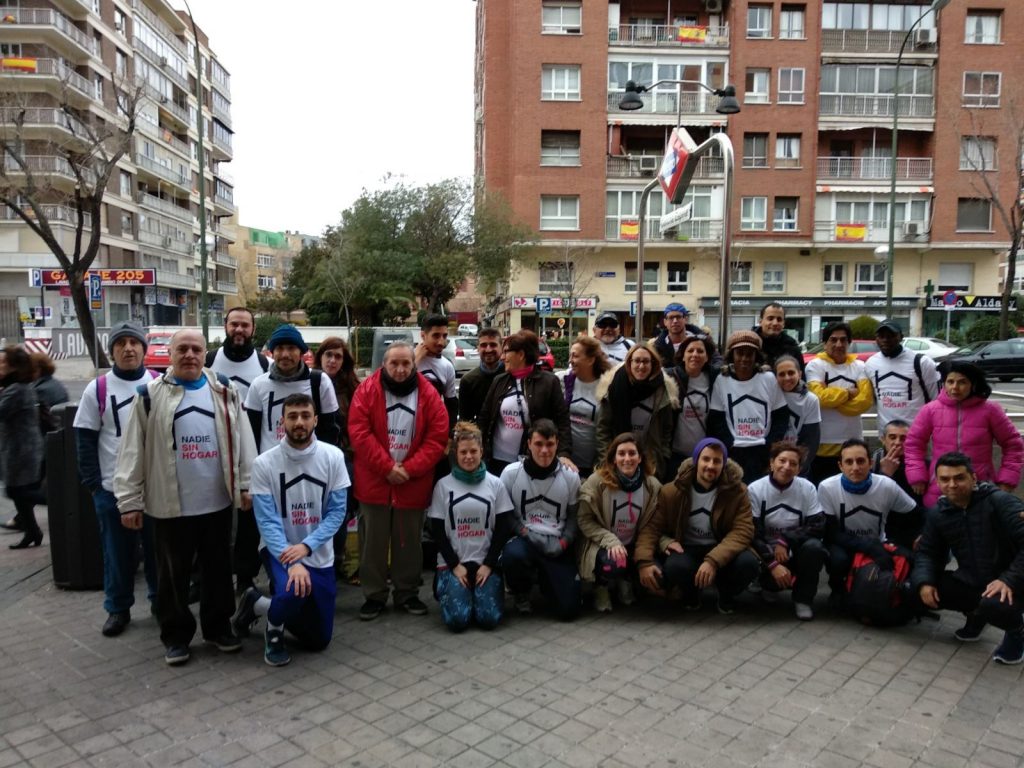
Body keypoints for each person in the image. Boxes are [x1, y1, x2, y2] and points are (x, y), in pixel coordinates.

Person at [114, 330, 256, 666]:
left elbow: (244, 440)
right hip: (169, 506)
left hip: (217, 503)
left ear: (205, 353)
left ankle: (218, 628)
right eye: (183, 349)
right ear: (171, 353)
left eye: (196, 349)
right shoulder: (149, 396)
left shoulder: (224, 390)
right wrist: (129, 499)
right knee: (172, 577)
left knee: (219, 572)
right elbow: (132, 451)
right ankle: (176, 636)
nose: (190, 355)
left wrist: (246, 485)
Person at [233, 394, 349, 666]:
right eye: (293, 416)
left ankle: (257, 604)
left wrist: (307, 547)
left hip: (318, 552)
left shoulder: (333, 457)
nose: (299, 422)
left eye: (305, 416)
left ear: (316, 420)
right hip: (279, 549)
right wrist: (292, 557)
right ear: (282, 421)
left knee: (319, 639)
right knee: (294, 590)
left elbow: (337, 513)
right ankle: (274, 630)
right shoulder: (264, 463)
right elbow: (267, 520)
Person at [348, 341, 449, 620]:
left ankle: (407, 592)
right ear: (384, 365)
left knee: (409, 543)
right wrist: (387, 467)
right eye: (395, 363)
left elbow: (437, 437)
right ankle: (374, 595)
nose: (401, 369)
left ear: (413, 364)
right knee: (373, 544)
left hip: (411, 482)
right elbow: (359, 432)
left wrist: (409, 469)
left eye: (406, 363)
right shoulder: (366, 390)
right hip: (375, 482)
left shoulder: (428, 394)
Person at [74, 322, 159, 636]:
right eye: (120, 343)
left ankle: (159, 601)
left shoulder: (158, 383)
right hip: (113, 490)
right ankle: (118, 608)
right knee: (117, 554)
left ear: (143, 349)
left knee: (157, 553)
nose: (128, 349)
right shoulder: (97, 389)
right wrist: (96, 487)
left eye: (134, 343)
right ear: (111, 351)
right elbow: (84, 440)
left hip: (154, 489)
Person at [912, 452, 1024, 665]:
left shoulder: (999, 501)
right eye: (945, 479)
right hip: (975, 580)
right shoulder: (939, 513)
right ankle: (976, 615)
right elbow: (927, 552)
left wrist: (1009, 579)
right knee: (917, 588)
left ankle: (1017, 632)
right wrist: (924, 582)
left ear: (973, 478)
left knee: (994, 605)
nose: (952, 484)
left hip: (1014, 582)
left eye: (959, 478)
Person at [635, 438, 760, 614]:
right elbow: (652, 528)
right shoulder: (672, 491)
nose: (711, 465)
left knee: (749, 564)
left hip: (721, 547)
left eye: (717, 461)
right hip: (687, 548)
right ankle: (691, 593)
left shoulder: (738, 492)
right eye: (706, 459)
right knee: (674, 567)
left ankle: (726, 594)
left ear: (723, 465)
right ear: (696, 461)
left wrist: (712, 561)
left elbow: (743, 531)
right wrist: (643, 562)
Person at [427, 422, 515, 632]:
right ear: (456, 454)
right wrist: (454, 565)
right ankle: (448, 589)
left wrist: (489, 564)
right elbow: (437, 530)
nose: (469, 456)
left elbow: (503, 528)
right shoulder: (443, 485)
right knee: (457, 621)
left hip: (485, 564)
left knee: (489, 620)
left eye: (473, 451)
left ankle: (478, 595)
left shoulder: (496, 484)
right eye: (463, 452)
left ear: (482, 452)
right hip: (454, 564)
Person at [905, 361, 1023, 508]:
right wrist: (917, 475)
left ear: (972, 384)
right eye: (950, 381)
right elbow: (913, 444)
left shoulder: (991, 410)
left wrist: (1006, 479)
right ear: (944, 383)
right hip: (940, 487)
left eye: (962, 382)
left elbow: (1013, 445)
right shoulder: (930, 410)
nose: (955, 387)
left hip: (981, 488)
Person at [818, 439, 917, 607]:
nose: (855, 467)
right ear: (840, 466)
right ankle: (837, 590)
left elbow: (914, 514)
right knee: (838, 560)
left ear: (870, 463)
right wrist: (867, 546)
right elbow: (830, 532)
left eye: (861, 461)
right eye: (849, 462)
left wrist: (905, 540)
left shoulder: (886, 486)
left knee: (908, 557)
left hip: (879, 542)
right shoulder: (827, 487)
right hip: (844, 543)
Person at [500, 419, 582, 620]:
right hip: (525, 539)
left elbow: (574, 517)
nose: (544, 450)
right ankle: (521, 590)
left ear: (557, 444)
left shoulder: (570, 477)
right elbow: (505, 515)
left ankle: (548, 582)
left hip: (556, 542)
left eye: (550, 444)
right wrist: (525, 533)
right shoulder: (511, 474)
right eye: (538, 444)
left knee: (569, 611)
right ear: (528, 444)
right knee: (513, 555)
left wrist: (564, 542)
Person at [577, 433, 661, 613]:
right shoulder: (597, 482)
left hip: (634, 545)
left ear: (640, 458)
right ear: (613, 459)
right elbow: (584, 520)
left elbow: (655, 524)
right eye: (621, 454)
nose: (627, 459)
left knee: (660, 571)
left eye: (632, 453)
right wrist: (610, 540)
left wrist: (665, 542)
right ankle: (602, 586)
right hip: (604, 546)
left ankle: (627, 580)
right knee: (614, 563)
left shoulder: (652, 485)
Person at [747, 442, 826, 620]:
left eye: (793, 463)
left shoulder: (807, 488)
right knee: (749, 559)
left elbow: (818, 524)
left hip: (793, 548)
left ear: (799, 469)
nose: (786, 467)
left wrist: (786, 540)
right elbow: (752, 531)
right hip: (766, 553)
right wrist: (772, 563)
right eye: (782, 461)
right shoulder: (755, 489)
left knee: (815, 548)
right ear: (772, 463)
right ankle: (767, 584)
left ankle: (803, 600)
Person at [478, 330, 572, 476]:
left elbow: (562, 421)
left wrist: (564, 453)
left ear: (521, 354)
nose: (502, 357)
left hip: (532, 460)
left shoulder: (549, 382)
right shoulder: (499, 381)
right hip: (497, 461)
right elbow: (484, 418)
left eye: (507, 352)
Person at [245, 324, 340, 453]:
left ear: (301, 352)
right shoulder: (259, 385)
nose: (285, 354)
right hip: (271, 467)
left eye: (291, 348)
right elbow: (251, 434)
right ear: (272, 352)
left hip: (311, 464)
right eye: (279, 348)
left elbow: (330, 430)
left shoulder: (320, 382)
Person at [708, 331, 788, 485]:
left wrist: (770, 444)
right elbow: (716, 419)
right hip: (735, 450)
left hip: (762, 450)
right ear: (732, 355)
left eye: (750, 353)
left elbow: (781, 415)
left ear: (756, 356)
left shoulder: (768, 379)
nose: (744, 358)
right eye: (739, 353)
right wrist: (729, 443)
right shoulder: (722, 379)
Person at [313, 337, 361, 582]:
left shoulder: (352, 388)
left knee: (340, 512)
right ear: (320, 356)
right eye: (328, 355)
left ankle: (338, 561)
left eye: (338, 356)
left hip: (344, 458)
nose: (332, 360)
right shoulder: (308, 383)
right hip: (312, 460)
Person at [595, 343, 677, 482]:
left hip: (651, 462)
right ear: (629, 363)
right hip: (618, 461)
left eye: (646, 361)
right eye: (637, 361)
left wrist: (663, 456)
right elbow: (603, 429)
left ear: (653, 364)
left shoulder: (663, 390)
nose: (641, 366)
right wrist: (607, 461)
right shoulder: (615, 388)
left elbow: (667, 429)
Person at [805, 321, 873, 484]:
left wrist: (831, 395)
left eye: (843, 340)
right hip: (822, 447)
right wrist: (849, 393)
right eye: (833, 340)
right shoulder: (815, 365)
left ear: (849, 343)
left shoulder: (860, 366)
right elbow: (819, 398)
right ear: (825, 343)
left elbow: (864, 402)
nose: (838, 344)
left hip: (852, 446)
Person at [0, 346, 46, 549]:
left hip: (22, 450)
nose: (0, 366)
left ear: (13, 366)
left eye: (3, 362)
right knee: (18, 492)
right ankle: (32, 532)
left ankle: (61, 501)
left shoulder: (17, 389)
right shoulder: (14, 386)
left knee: (18, 491)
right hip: (20, 448)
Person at [865, 319, 939, 432]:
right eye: (881, 336)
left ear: (901, 337)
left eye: (891, 335)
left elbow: (937, 400)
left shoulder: (922, 362)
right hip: (887, 436)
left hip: (918, 434)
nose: (885, 339)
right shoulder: (871, 364)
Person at [665, 335, 719, 479]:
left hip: (705, 456)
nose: (695, 355)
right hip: (675, 455)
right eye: (690, 351)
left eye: (700, 351)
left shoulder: (715, 378)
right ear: (683, 356)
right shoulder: (670, 377)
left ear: (707, 357)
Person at [563, 336, 611, 477]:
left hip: (595, 465)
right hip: (568, 463)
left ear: (591, 360)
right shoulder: (565, 381)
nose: (570, 360)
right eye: (570, 355)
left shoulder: (606, 386)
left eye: (575, 356)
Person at [871, 419, 923, 549]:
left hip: (912, 523)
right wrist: (885, 476)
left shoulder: (920, 464)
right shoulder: (872, 462)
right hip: (882, 527)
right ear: (883, 439)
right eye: (892, 437)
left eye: (903, 438)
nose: (897, 443)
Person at [205, 306, 268, 401]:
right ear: (225, 327)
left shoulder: (268, 365)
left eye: (245, 325)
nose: (239, 329)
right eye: (234, 324)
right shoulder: (206, 362)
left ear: (253, 329)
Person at [774, 354, 820, 479]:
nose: (787, 378)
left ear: (799, 374)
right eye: (781, 374)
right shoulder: (771, 396)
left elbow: (811, 439)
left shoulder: (810, 400)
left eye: (791, 373)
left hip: (797, 463)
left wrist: (800, 467)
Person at [416, 313, 458, 430]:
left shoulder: (447, 366)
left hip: (431, 429)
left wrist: (449, 436)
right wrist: (415, 359)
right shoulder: (405, 358)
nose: (441, 342)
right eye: (436, 336)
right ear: (423, 335)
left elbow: (451, 404)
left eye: (444, 336)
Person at [458, 328, 503, 424]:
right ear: (478, 348)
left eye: (493, 345)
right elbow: (465, 420)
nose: (488, 349)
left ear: (501, 347)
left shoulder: (510, 375)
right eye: (483, 345)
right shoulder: (468, 380)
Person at [651, 303, 705, 369]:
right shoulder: (657, 347)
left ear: (685, 319)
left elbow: (716, 362)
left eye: (678, 317)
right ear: (665, 322)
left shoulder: (702, 341)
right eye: (671, 317)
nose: (675, 321)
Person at [753, 302, 803, 368]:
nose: (775, 323)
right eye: (770, 318)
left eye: (779, 319)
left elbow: (800, 375)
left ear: (783, 323)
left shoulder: (791, 346)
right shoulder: (749, 342)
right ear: (760, 321)